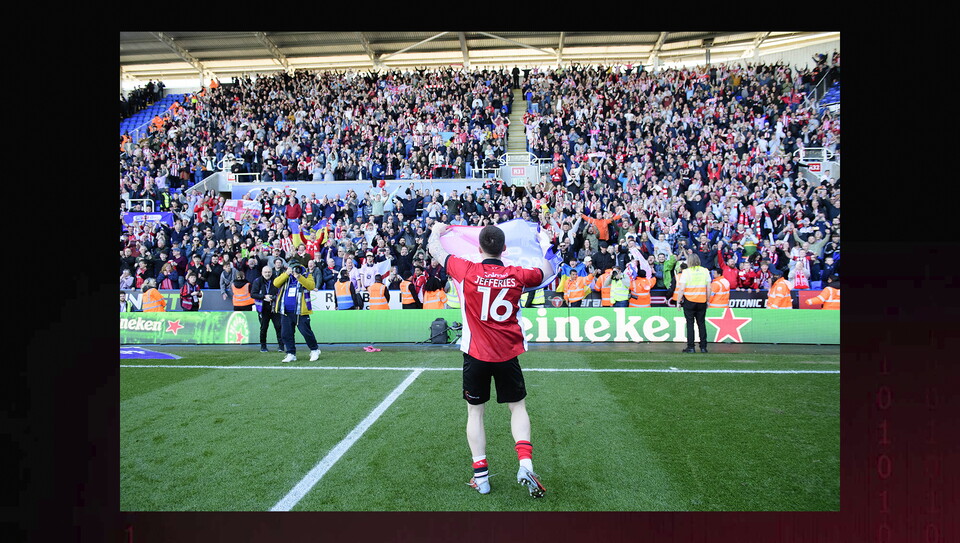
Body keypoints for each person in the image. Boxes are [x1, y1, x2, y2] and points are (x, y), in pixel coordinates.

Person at [428, 222, 556, 498]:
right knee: (517, 407)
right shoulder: (518, 274)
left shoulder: (467, 269)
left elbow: (434, 249)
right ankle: (525, 463)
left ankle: (481, 477)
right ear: (505, 249)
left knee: (475, 413)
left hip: (475, 354)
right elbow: (548, 268)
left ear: (478, 248)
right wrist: (545, 243)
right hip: (507, 354)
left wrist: (437, 230)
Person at [272, 262, 322, 363]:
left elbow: (311, 286)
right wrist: (286, 274)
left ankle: (314, 350)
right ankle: (291, 353)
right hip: (286, 311)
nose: (294, 270)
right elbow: (276, 283)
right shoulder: (286, 276)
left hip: (300, 311)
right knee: (286, 334)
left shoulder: (307, 275)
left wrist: (299, 277)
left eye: (297, 268)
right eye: (293, 268)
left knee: (306, 332)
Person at [675, 253, 711, 353]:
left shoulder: (686, 272)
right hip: (701, 300)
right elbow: (709, 288)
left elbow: (681, 289)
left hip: (689, 300)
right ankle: (703, 347)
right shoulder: (705, 271)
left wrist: (678, 301)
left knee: (690, 324)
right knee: (701, 323)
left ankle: (691, 347)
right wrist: (708, 300)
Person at [251, 265, 284, 352]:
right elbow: (253, 294)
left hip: (274, 308)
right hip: (263, 309)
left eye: (269, 272)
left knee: (279, 327)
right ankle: (263, 346)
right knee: (263, 328)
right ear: (262, 273)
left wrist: (274, 297)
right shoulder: (257, 281)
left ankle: (281, 346)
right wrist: (264, 296)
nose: (267, 274)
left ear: (271, 272)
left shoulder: (276, 280)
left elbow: (281, 292)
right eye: (265, 272)